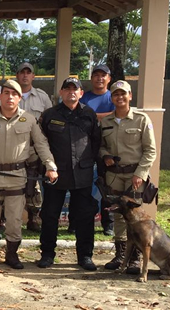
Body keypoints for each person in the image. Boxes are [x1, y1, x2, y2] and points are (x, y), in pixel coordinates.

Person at [0, 80, 57, 269]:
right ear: (0, 96)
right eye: (6, 93)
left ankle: (12, 255)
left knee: (15, 219)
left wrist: (51, 166)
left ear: (19, 98)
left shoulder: (29, 119)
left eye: (14, 94)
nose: (10, 97)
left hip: (17, 177)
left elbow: (41, 144)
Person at [38, 77, 100, 271]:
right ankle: (47, 254)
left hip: (82, 174)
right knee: (49, 215)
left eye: (76, 89)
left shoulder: (90, 114)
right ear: (61, 93)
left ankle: (85, 256)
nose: (71, 92)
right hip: (56, 174)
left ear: (81, 93)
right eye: (67, 88)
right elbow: (42, 143)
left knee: (85, 216)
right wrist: (48, 167)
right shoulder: (49, 115)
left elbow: (96, 142)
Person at [100, 80, 157, 274]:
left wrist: (140, 173)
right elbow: (100, 146)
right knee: (118, 215)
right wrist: (105, 156)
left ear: (130, 96)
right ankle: (120, 255)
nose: (119, 97)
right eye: (115, 94)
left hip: (135, 177)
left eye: (123, 94)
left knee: (135, 217)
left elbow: (150, 151)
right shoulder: (105, 122)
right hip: (114, 176)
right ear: (112, 98)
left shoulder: (142, 119)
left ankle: (135, 258)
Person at [15, 62, 53, 232]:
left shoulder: (42, 97)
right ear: (16, 75)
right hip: (12, 145)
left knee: (33, 181)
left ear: (33, 76)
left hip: (33, 146)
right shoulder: (8, 94)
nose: (25, 75)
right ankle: (3, 220)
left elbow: (49, 120)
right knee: (10, 181)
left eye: (28, 73)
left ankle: (33, 218)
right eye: (22, 72)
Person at [80, 64, 116, 236]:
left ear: (109, 79)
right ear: (91, 78)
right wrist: (107, 115)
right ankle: (77, 221)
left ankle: (108, 222)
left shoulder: (113, 97)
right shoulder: (84, 97)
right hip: (84, 147)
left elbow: (119, 114)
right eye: (96, 75)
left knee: (106, 185)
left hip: (108, 147)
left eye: (103, 75)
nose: (99, 78)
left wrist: (93, 115)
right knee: (82, 185)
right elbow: (80, 116)